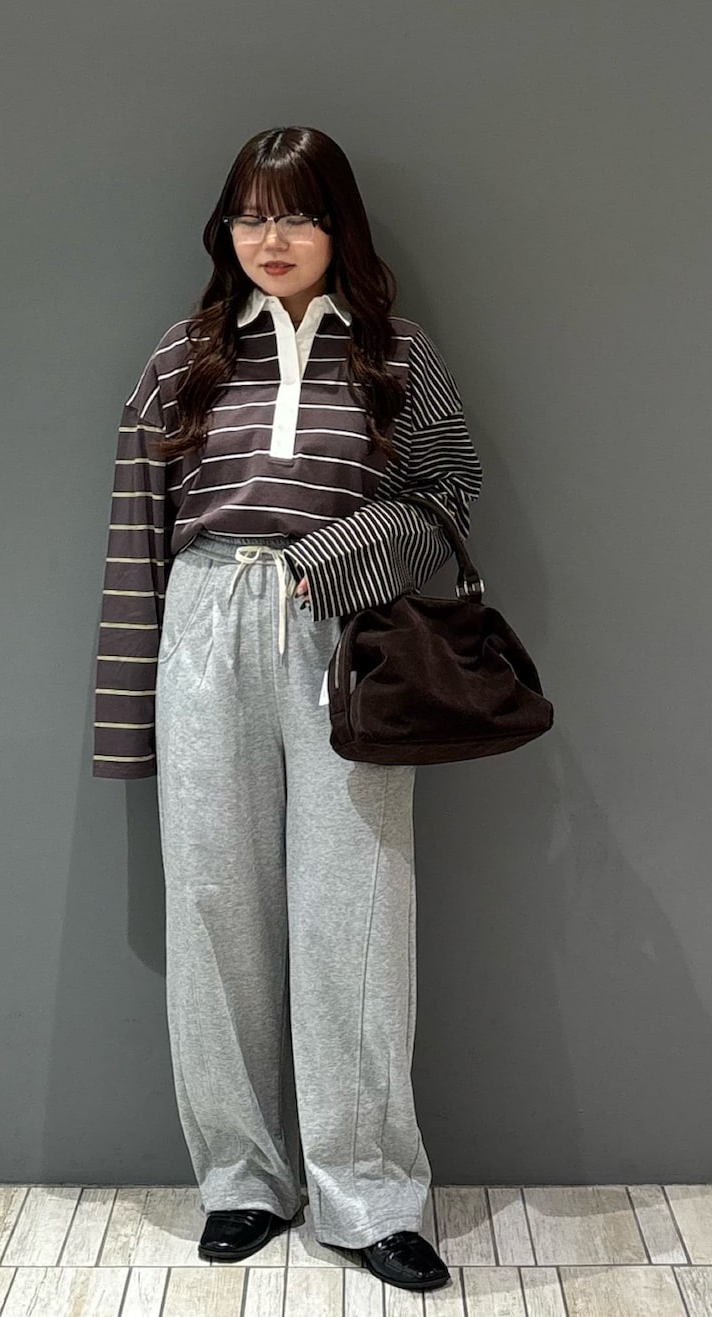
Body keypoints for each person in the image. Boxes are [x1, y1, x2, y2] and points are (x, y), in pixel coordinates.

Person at [92, 126, 482, 1294]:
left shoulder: (397, 352)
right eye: (251, 215)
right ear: (226, 229)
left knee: (358, 911)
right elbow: (136, 535)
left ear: (336, 226)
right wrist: (124, 717)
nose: (271, 238)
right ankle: (242, 1182)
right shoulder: (185, 353)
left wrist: (339, 556)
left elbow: (450, 490)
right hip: (204, 626)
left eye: (297, 214)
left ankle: (370, 1196)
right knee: (213, 902)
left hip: (342, 636)